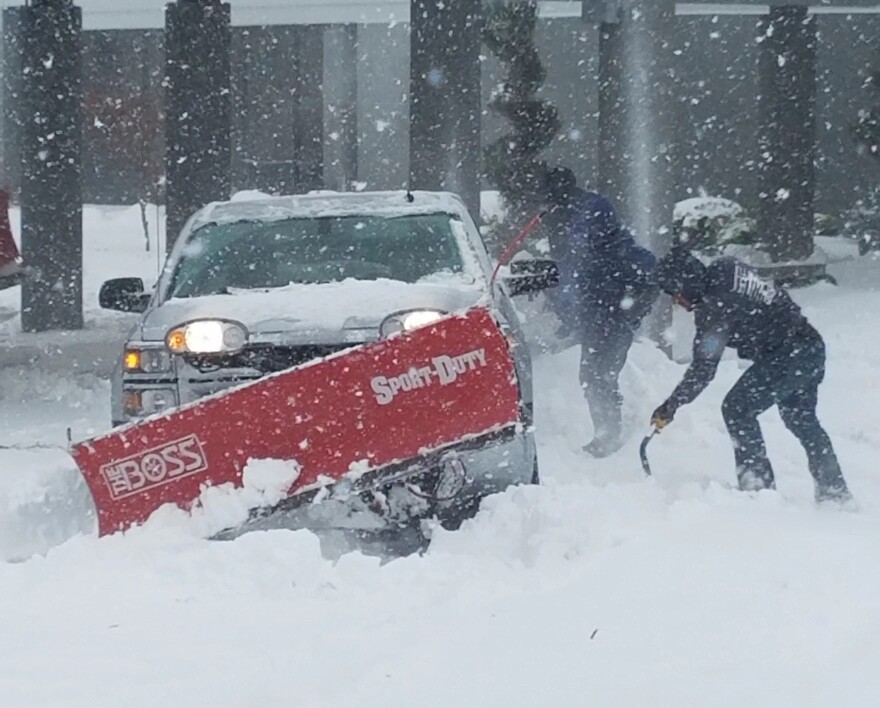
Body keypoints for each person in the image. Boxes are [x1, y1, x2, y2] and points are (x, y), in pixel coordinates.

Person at [650, 247, 851, 503]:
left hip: (787, 355)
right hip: (808, 346)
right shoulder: (726, 268)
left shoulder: (714, 310)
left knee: (737, 409)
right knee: (801, 420)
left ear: (685, 283)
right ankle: (835, 492)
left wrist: (670, 406)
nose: (676, 301)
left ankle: (757, 489)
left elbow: (703, 369)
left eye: (675, 293)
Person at [541, 167, 657, 457]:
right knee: (591, 376)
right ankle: (606, 432)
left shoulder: (619, 252)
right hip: (595, 322)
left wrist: (631, 314)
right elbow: (569, 283)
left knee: (601, 376)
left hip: (614, 323)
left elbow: (653, 276)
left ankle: (611, 435)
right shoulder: (581, 247)